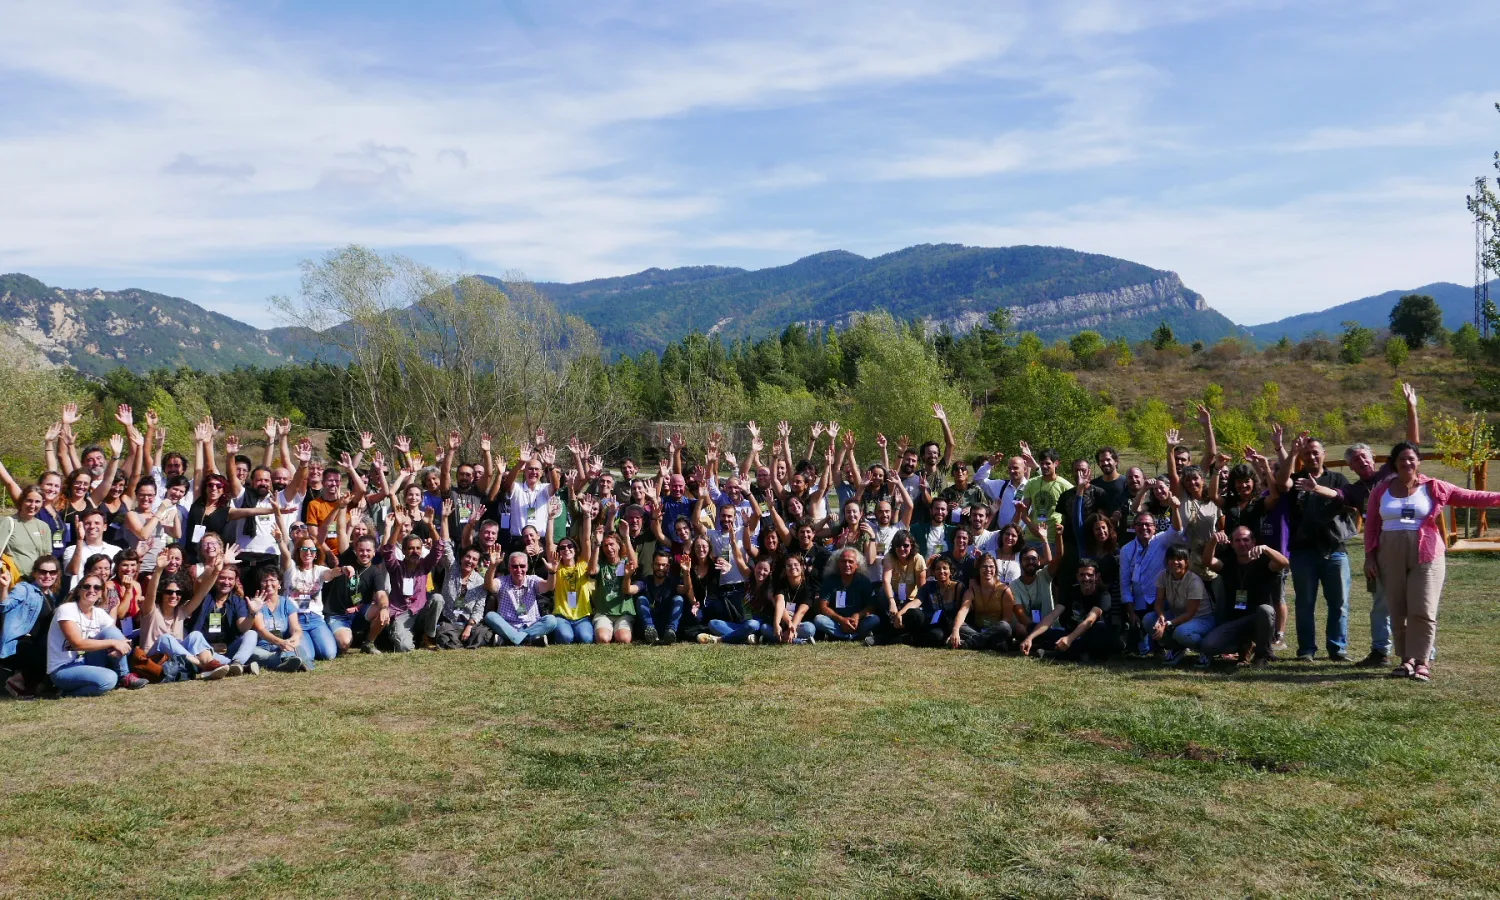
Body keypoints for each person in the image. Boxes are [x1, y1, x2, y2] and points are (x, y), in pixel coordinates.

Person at [1364, 441, 1500, 682]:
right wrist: (1369, 557)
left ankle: (1422, 662)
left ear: (1419, 461)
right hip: (1389, 553)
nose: (1407, 462)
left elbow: (1472, 497)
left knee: (1423, 608)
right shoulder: (1381, 490)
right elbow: (1372, 526)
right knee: (1397, 609)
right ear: (1394, 463)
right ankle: (1405, 660)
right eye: (1402, 459)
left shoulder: (1434, 487)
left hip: (1426, 553)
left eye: (1411, 458)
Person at [1281, 433, 1356, 662]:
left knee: (1339, 603)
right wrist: (1292, 453)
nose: (1312, 456)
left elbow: (1349, 502)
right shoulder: (1296, 479)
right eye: (1307, 453)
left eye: (1316, 452)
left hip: (1335, 550)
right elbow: (1282, 484)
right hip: (1304, 552)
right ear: (1302, 457)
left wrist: (1318, 490)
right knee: (1305, 603)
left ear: (1324, 454)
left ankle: (1337, 649)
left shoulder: (1338, 479)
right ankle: (1306, 650)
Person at [46, 575, 150, 696]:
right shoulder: (67, 609)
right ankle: (67, 694)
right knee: (109, 679)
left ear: (101, 593)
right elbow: (77, 643)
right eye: (87, 586)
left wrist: (120, 648)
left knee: (111, 633)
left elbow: (120, 638)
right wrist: (113, 643)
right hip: (64, 669)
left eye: (97, 588)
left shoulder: (99, 613)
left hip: (86, 661)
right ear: (79, 590)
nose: (92, 590)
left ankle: (124, 676)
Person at [1199, 527, 1287, 667]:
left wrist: (1266, 549)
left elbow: (1284, 563)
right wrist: (1213, 541)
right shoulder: (1229, 563)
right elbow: (1207, 562)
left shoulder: (1264, 563)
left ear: (1253, 542)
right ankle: (1245, 646)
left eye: (1246, 539)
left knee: (1265, 610)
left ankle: (1261, 656)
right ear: (1232, 544)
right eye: (1237, 540)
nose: (1242, 544)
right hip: (1236, 622)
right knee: (1209, 646)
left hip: (1259, 621)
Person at [1019, 557, 1120, 661]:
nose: (1086, 578)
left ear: (1097, 576)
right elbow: (1053, 615)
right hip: (1072, 633)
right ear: (1077, 576)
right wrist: (1030, 637)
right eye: (1082, 574)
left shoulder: (1104, 595)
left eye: (1090, 575)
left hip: (1091, 636)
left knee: (1100, 628)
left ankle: (1053, 653)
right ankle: (1076, 654)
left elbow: (1089, 621)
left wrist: (1069, 639)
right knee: (1033, 628)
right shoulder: (1071, 591)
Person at [1118, 508, 1183, 655]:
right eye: (1140, 525)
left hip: (1163, 600)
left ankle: (1167, 645)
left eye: (1148, 524)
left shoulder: (1162, 540)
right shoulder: (1126, 550)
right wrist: (1131, 612)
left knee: (1155, 630)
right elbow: (1125, 583)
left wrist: (1175, 507)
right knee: (1141, 648)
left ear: (1155, 527)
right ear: (1134, 527)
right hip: (1139, 601)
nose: (1144, 528)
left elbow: (1177, 532)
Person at [231, 567, 314, 672]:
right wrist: (280, 642)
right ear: (260, 584)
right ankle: (287, 661)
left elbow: (296, 628)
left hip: (280, 647)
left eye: (272, 580)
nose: (268, 583)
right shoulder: (256, 603)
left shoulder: (286, 603)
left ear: (279, 584)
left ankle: (288, 660)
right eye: (265, 581)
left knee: (295, 647)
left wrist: (295, 637)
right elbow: (261, 630)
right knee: (256, 654)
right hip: (261, 647)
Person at [1144, 545, 1214, 666]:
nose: (1175, 562)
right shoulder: (1163, 575)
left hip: (1201, 618)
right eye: (1171, 558)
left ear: (1186, 562)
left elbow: (1190, 613)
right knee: (1149, 620)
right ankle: (1177, 648)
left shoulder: (1194, 581)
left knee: (1181, 632)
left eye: (1179, 559)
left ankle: (1207, 650)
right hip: (1178, 614)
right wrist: (1161, 617)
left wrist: (1167, 624)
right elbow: (1159, 601)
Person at [2, 557, 62, 698]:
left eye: (52, 572)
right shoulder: (24, 589)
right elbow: (5, 606)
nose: (48, 576)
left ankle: (39, 685)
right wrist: (4, 587)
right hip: (19, 644)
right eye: (43, 572)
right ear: (34, 573)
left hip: (37, 643)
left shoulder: (50, 595)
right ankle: (16, 682)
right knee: (46, 653)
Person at [484, 552, 562, 646]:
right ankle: (529, 640)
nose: (519, 570)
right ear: (509, 568)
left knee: (551, 620)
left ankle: (510, 640)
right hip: (508, 626)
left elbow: (549, 587)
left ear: (527, 567)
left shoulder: (532, 580)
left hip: (531, 626)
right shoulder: (502, 581)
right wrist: (492, 566)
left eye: (522, 566)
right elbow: (489, 586)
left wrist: (552, 572)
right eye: (515, 566)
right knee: (490, 616)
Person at [948, 553, 1016, 651]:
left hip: (996, 630)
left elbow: (1007, 619)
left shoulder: (1004, 590)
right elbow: (963, 611)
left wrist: (992, 631)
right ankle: (992, 644)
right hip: (977, 629)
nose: (988, 570)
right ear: (979, 569)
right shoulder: (972, 591)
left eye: (991, 567)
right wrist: (955, 630)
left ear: (995, 569)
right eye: (984, 566)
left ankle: (968, 644)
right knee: (956, 624)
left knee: (1005, 627)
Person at [813, 547, 881, 644]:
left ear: (857, 565)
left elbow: (870, 606)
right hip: (836, 622)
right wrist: (841, 620)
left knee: (875, 619)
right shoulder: (830, 581)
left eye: (850, 562)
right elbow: (823, 606)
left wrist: (858, 616)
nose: (847, 565)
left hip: (857, 623)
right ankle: (852, 637)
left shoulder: (864, 581)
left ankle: (841, 636)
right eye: (843, 561)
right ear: (838, 564)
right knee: (819, 620)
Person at [635, 548, 685, 645]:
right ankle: (651, 633)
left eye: (664, 565)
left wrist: (686, 572)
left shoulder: (672, 581)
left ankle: (671, 633)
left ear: (668, 567)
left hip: (666, 625)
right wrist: (628, 576)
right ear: (652, 565)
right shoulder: (645, 580)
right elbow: (629, 590)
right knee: (641, 599)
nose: (661, 568)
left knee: (679, 599)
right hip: (649, 625)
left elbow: (685, 589)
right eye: (657, 564)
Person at [770, 554, 817, 644]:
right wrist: (778, 624)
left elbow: (801, 612)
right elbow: (780, 605)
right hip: (784, 623)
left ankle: (781, 638)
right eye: (789, 565)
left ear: (802, 567)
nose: (792, 567)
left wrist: (792, 627)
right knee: (765, 628)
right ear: (785, 570)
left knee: (809, 629)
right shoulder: (781, 585)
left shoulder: (808, 587)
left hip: (800, 624)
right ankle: (800, 641)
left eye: (796, 564)